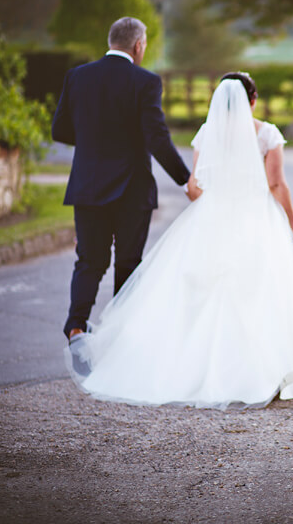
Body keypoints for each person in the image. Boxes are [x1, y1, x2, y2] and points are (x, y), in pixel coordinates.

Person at [65, 72, 293, 408]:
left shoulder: (206, 134)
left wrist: (216, 204)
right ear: (252, 101)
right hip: (255, 220)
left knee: (197, 293)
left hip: (212, 221)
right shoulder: (267, 134)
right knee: (256, 291)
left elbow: (195, 188)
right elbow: (276, 185)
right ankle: (256, 369)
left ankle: (186, 369)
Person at [52, 17, 191, 346]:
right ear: (138, 45)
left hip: (87, 185)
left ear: (111, 40)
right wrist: (186, 181)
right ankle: (118, 335)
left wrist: (92, 142)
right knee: (128, 263)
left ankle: (76, 326)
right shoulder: (145, 82)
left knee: (90, 260)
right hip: (132, 189)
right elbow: (156, 138)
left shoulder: (77, 77)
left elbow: (59, 130)